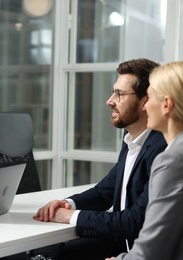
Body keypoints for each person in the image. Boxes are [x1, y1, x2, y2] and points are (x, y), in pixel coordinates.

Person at [29, 59, 167, 260]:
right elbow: (105, 192)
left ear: (145, 100)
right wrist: (68, 204)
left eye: (119, 94)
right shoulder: (132, 140)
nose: (110, 101)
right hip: (120, 247)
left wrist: (71, 217)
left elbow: (135, 221)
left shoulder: (161, 148)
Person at [106, 61, 183, 260]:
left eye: (149, 97)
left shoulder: (175, 161)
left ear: (167, 105)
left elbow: (148, 254)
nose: (145, 105)